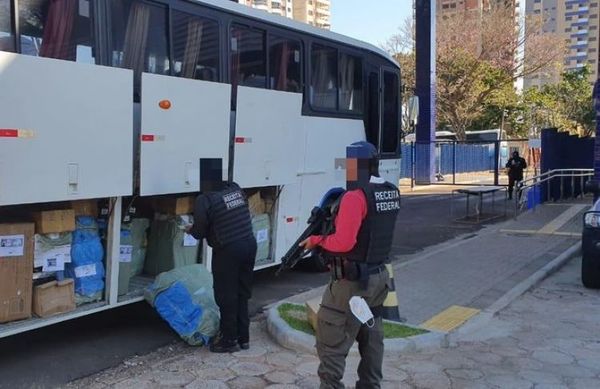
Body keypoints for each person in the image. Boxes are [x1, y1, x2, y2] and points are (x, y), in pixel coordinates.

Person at [300, 141, 400, 389]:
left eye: (350, 166)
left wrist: (317, 241)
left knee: (331, 340)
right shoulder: (390, 191)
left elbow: (343, 242)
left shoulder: (356, 197)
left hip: (352, 284)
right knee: (372, 338)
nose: (347, 172)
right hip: (379, 279)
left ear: (358, 166)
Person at [187, 159, 257, 353]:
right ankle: (244, 338)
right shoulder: (234, 188)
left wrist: (190, 230)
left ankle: (228, 340)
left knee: (226, 295)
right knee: (242, 293)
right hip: (249, 244)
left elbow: (200, 231)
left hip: (229, 249)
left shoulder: (205, 199)